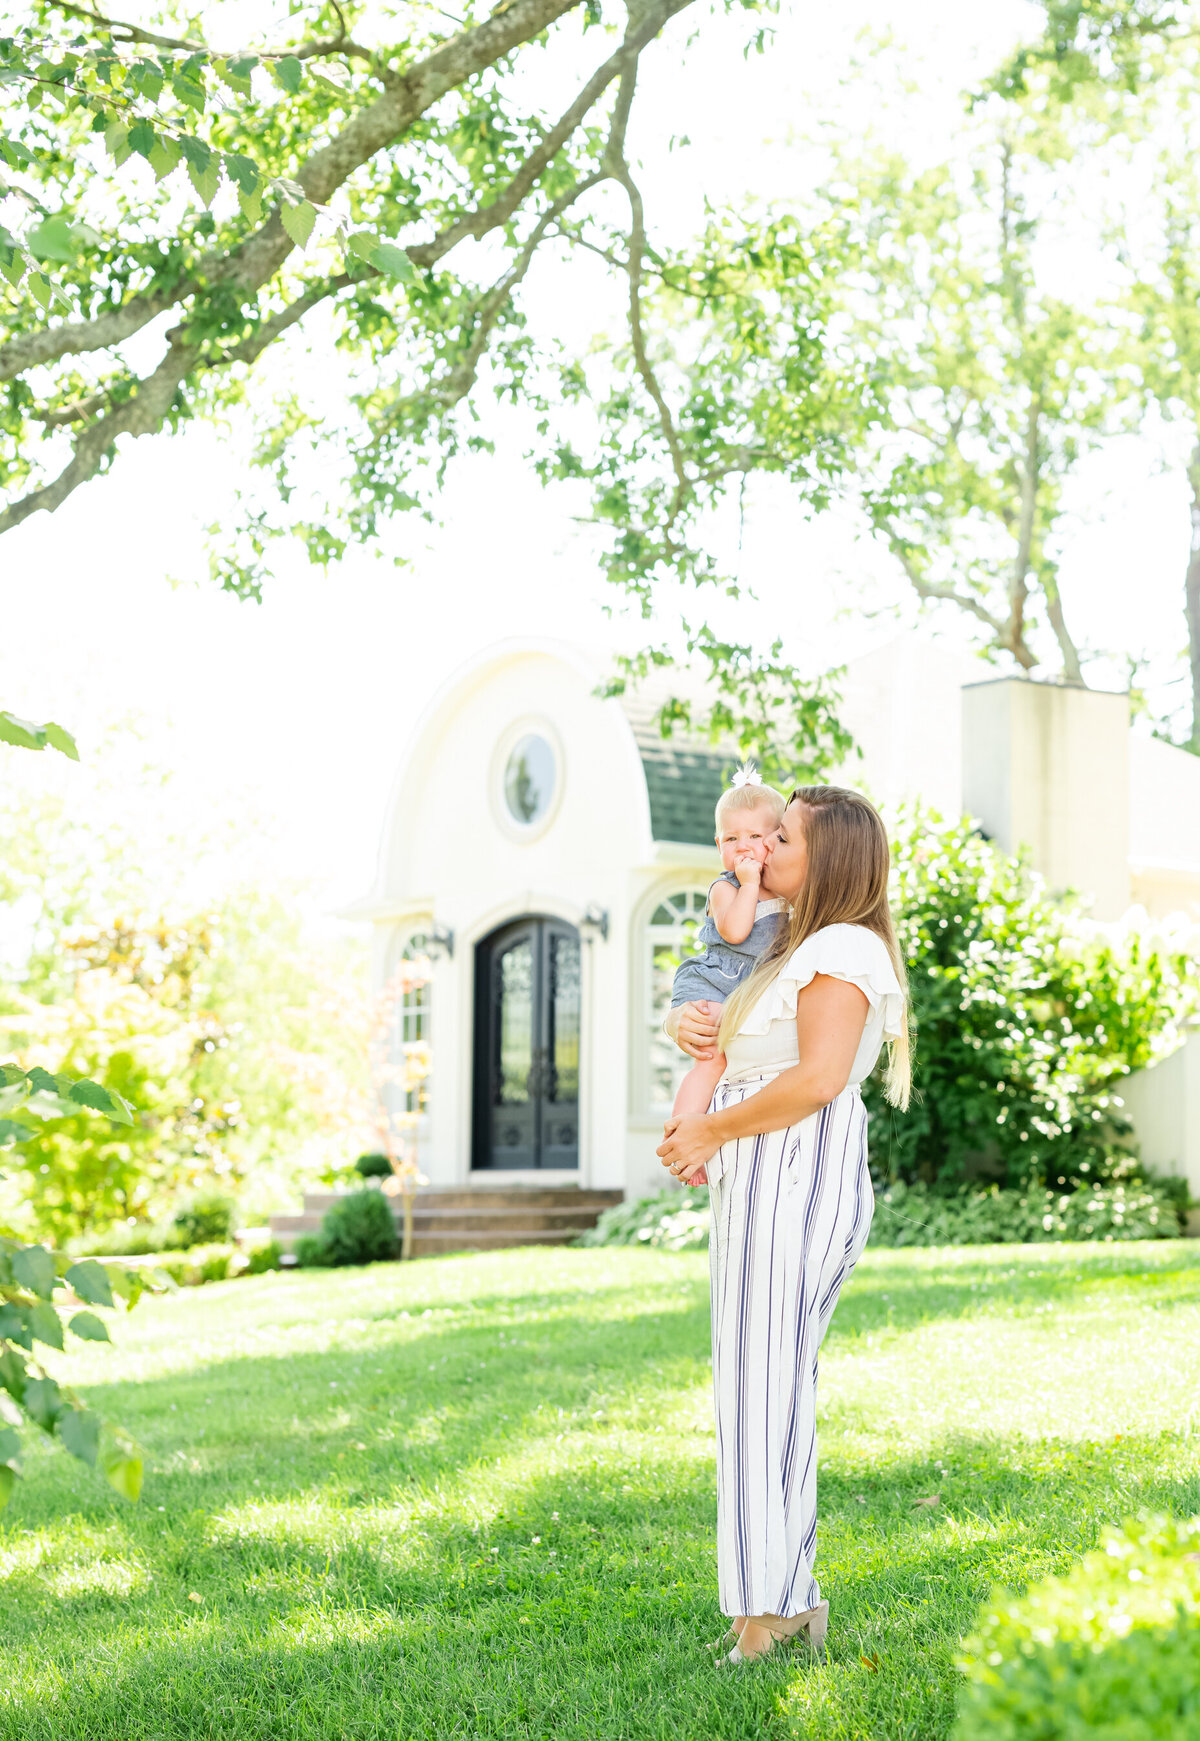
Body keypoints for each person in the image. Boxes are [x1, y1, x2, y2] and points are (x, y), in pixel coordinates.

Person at [657, 785, 910, 1667]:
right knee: (760, 1389)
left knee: (764, 1391)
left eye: (787, 836)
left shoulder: (842, 946)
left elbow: (817, 1078)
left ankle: (769, 1613)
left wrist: (712, 1128)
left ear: (828, 857)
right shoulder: (796, 940)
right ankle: (779, 1600)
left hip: (791, 1163)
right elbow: (742, 1036)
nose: (766, 848)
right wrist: (691, 1020)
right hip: (763, 1169)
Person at [668, 767, 786, 1186]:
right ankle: (685, 1144)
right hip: (716, 980)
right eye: (732, 839)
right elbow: (735, 931)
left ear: (777, 840)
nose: (744, 848)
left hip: (746, 989)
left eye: (756, 837)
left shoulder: (791, 893)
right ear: (718, 845)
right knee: (711, 1060)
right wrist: (750, 883)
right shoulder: (726, 888)